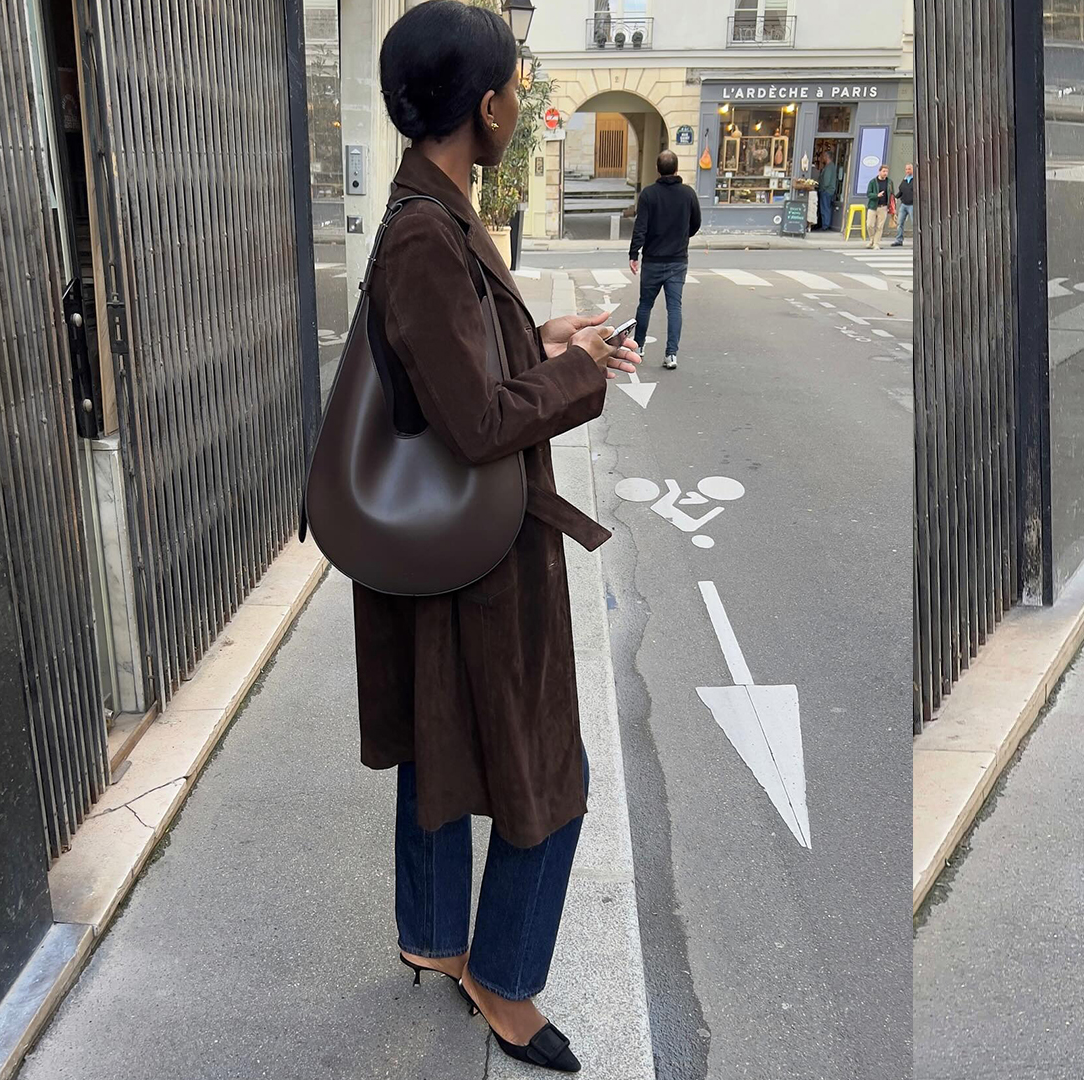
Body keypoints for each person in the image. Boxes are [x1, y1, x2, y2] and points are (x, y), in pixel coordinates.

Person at [366, 2, 640, 1072]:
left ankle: (434, 936)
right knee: (546, 767)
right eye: (516, 88)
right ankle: (504, 976)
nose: (522, 105)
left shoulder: (433, 213)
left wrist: (545, 336)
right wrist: (576, 377)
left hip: (454, 546)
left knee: (442, 736)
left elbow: (458, 373)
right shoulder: (428, 234)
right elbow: (476, 422)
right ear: (484, 107)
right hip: (480, 557)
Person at [629, 148, 701, 370]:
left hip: (652, 260)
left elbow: (641, 226)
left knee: (645, 304)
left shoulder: (649, 195)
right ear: (676, 169)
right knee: (674, 308)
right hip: (678, 260)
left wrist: (634, 254)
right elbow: (696, 223)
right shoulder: (688, 194)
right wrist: (681, 237)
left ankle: (638, 346)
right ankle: (671, 354)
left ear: (657, 169)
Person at [864, 164, 895, 249]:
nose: (885, 173)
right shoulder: (873, 182)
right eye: (883, 171)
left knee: (880, 226)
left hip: (883, 206)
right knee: (869, 225)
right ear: (879, 172)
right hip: (873, 206)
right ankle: (871, 239)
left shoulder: (889, 182)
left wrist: (892, 205)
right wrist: (876, 195)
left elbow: (892, 194)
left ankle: (876, 243)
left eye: (886, 171)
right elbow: (868, 194)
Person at [816, 150, 841, 232]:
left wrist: (820, 187)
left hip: (826, 191)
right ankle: (825, 224)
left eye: (823, 156)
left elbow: (826, 182)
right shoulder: (831, 166)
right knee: (826, 208)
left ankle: (825, 226)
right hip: (829, 191)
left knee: (825, 208)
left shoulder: (829, 167)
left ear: (827, 157)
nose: (822, 158)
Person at [892, 163, 914, 247]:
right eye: (906, 169)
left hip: (912, 205)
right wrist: (895, 197)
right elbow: (901, 191)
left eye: (909, 169)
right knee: (899, 223)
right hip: (903, 204)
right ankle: (899, 240)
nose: (908, 171)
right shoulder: (905, 179)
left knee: (914, 224)